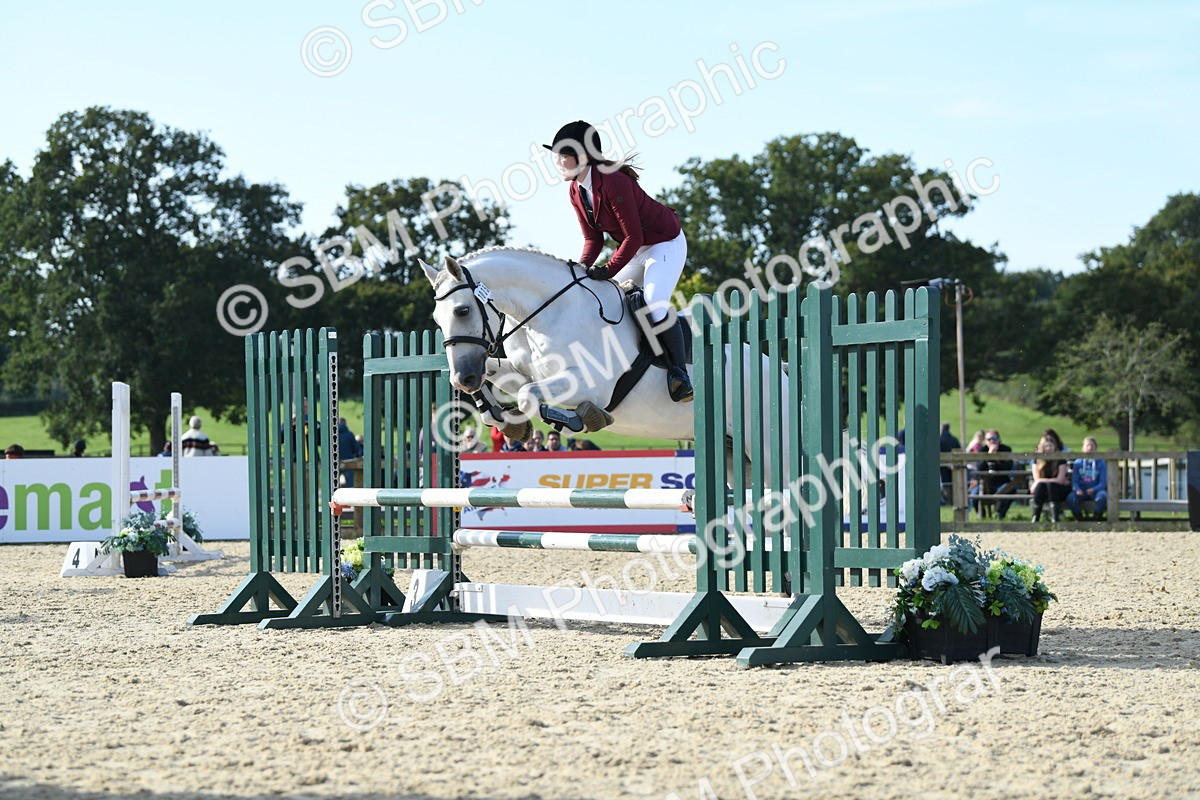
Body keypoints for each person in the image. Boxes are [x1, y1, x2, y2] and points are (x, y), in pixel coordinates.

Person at [545, 120, 692, 402]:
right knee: (601, 295)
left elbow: (633, 236)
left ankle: (679, 374)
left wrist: (609, 269)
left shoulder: (613, 182)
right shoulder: (576, 191)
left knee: (653, 302)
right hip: (635, 249)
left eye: (563, 154)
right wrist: (580, 270)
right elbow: (593, 239)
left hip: (664, 243)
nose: (557, 161)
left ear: (584, 156)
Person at [976, 429, 1018, 519]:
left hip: (1001, 481)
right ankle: (982, 517)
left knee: (1011, 489)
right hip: (985, 483)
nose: (992, 441)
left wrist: (997, 457)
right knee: (974, 495)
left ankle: (1001, 515)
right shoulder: (982, 450)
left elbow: (1008, 467)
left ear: (999, 439)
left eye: (994, 438)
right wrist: (989, 456)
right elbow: (979, 467)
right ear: (985, 441)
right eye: (989, 439)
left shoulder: (1006, 449)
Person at [1029, 433, 1071, 522]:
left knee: (1050, 485)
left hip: (1058, 490)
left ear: (1055, 446)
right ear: (1042, 447)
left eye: (1051, 445)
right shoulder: (1037, 460)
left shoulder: (1060, 459)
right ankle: (1035, 518)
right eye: (1046, 446)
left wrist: (1041, 482)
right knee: (1041, 486)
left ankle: (1055, 518)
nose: (1048, 448)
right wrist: (1039, 482)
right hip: (1043, 490)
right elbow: (1037, 479)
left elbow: (1059, 480)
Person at [1066, 437, 1108, 521]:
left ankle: (1096, 519)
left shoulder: (1101, 463)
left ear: (1096, 448)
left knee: (1102, 497)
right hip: (1081, 491)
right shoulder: (1078, 462)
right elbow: (1075, 480)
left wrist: (1094, 489)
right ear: (1083, 448)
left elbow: (1103, 482)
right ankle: (1080, 520)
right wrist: (1077, 489)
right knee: (1071, 498)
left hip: (1096, 490)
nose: (1090, 448)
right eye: (1087, 445)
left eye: (1092, 446)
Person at [939, 423, 960, 505]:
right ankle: (954, 500)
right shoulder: (954, 439)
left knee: (946, 483)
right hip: (953, 463)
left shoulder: (940, 439)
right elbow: (958, 450)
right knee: (953, 482)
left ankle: (948, 500)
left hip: (943, 465)